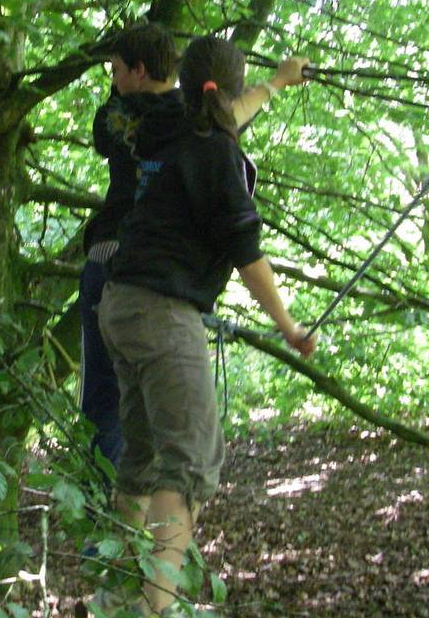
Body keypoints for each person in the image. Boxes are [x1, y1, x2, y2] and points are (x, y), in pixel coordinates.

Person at [95, 35, 318, 616]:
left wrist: (276, 82)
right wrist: (290, 327)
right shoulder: (219, 155)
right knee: (192, 462)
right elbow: (247, 256)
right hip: (161, 313)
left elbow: (226, 109)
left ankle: (116, 594)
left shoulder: (167, 129)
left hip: (118, 303)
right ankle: (154, 606)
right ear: (230, 89)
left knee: (142, 456)